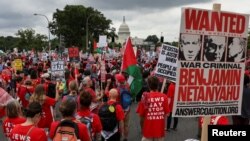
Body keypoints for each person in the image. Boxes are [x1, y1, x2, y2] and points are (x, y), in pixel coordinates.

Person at [137, 76, 170, 141]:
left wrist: (142, 128)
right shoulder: (164, 97)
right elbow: (167, 114)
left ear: (148, 85)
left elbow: (141, 116)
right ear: (158, 85)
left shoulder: (144, 97)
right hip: (159, 131)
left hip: (147, 131)